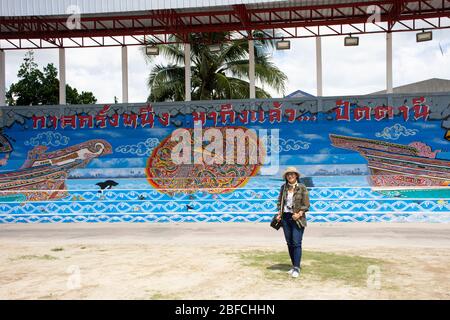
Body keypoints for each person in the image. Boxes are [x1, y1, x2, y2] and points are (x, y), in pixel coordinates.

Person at [276, 166, 310, 278]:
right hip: (285, 218)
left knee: (296, 242)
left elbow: (306, 205)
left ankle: (297, 267)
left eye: (292, 174)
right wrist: (279, 214)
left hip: (298, 218)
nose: (290, 176)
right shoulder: (283, 187)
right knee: (289, 243)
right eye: (288, 174)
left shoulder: (302, 187)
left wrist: (299, 214)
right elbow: (279, 202)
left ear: (296, 176)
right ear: (286, 177)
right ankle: (293, 265)